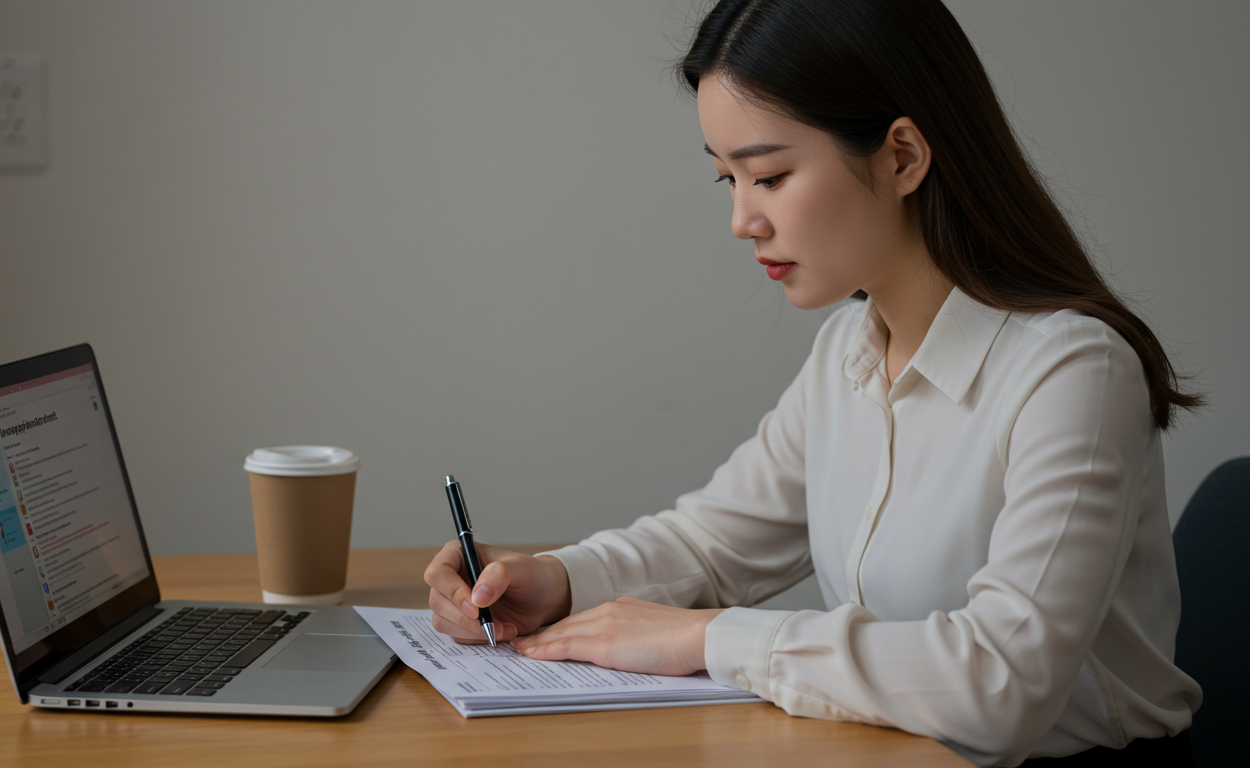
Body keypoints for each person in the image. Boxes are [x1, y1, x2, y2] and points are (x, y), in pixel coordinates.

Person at [423, 1, 1202, 765]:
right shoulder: (847, 354)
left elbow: (1003, 682)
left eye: (769, 176)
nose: (743, 220)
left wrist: (706, 636)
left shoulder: (1072, 372)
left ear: (903, 157)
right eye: (727, 178)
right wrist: (556, 580)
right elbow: (713, 542)